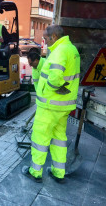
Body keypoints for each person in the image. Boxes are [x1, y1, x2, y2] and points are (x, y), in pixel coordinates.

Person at [22, 25, 80, 183]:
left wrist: (52, 88)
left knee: (40, 138)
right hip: (63, 106)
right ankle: (58, 172)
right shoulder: (72, 49)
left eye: (46, 39)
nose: (45, 43)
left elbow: (54, 78)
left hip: (49, 106)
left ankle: (35, 172)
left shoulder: (59, 51)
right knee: (59, 139)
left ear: (54, 36)